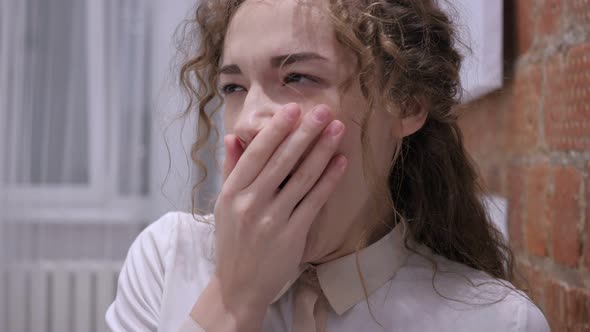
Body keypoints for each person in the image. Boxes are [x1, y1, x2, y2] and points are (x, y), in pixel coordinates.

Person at [106, 0, 550, 331]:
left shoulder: (498, 321)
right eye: (233, 87)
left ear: (407, 103)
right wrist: (232, 299)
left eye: (297, 77)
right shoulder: (166, 260)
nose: (247, 122)